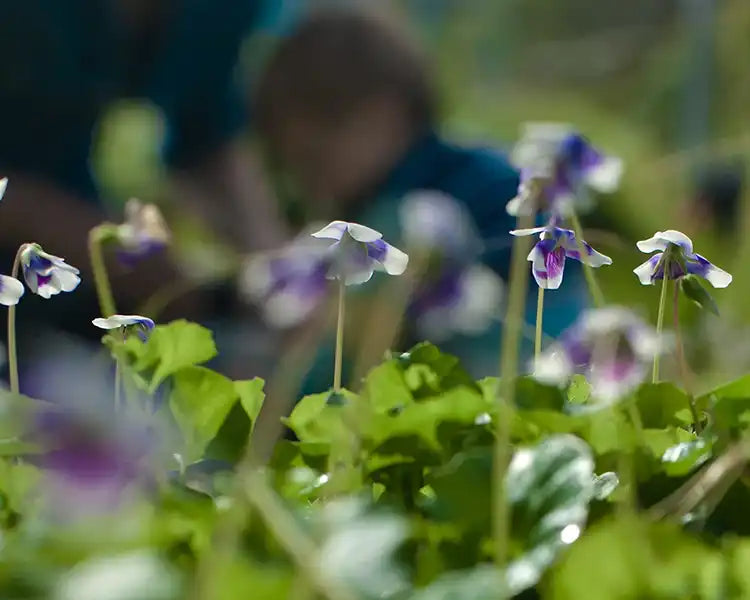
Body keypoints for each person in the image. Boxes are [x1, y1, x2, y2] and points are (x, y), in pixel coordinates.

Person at [253, 8, 588, 391]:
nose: (308, 183)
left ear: (384, 115)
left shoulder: (416, 205)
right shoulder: (468, 170)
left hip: (515, 368)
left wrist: (281, 390)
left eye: (315, 159)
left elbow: (346, 344)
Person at [0, 0, 290, 376]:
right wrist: (85, 241)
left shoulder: (221, 11)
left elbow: (206, 131)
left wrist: (278, 268)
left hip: (62, 286)